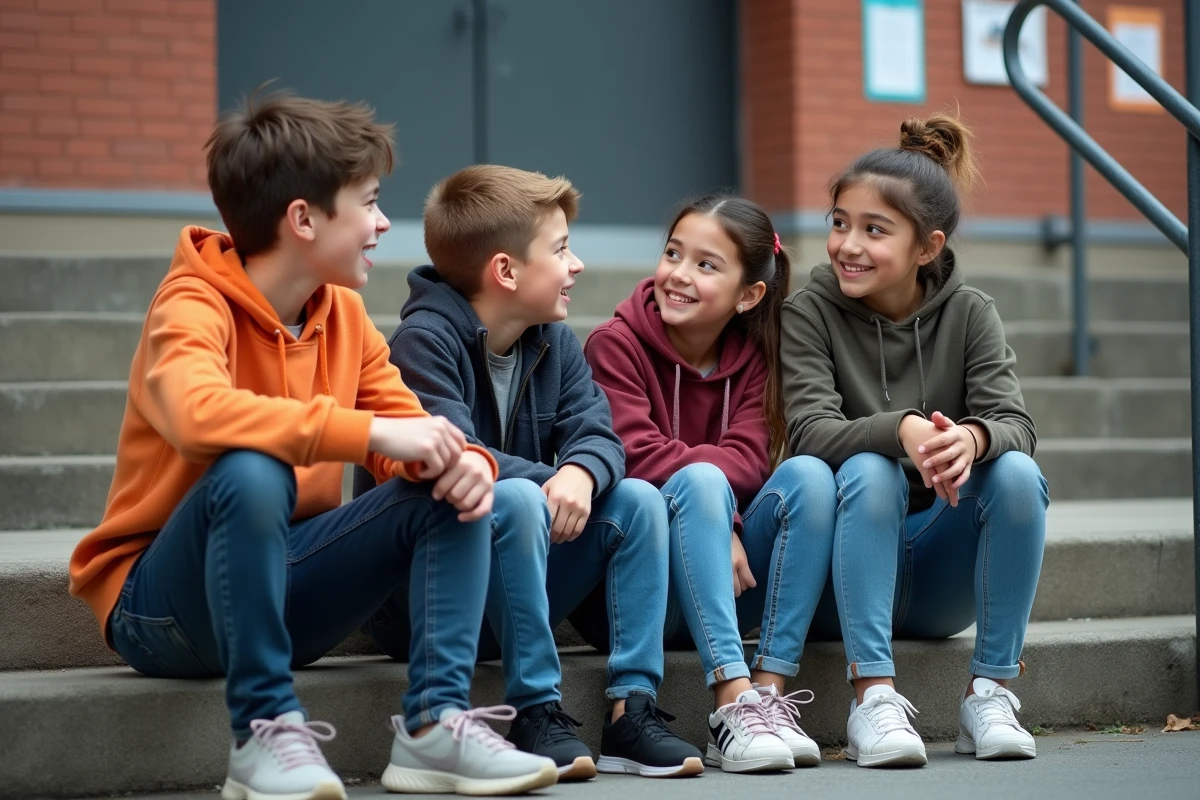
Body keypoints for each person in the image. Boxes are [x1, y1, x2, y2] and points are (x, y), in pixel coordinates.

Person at [68, 91, 558, 799]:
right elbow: (196, 414)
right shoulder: (192, 302)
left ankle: (434, 726)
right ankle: (263, 732)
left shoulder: (345, 316)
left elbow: (409, 426)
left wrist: (466, 462)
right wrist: (369, 431)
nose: (384, 223)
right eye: (368, 203)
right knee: (252, 467)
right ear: (303, 218)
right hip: (163, 608)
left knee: (446, 484)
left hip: (291, 587)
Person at [356, 164, 704, 780]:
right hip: (426, 604)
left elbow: (600, 434)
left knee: (640, 501)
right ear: (506, 271)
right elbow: (453, 453)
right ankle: (535, 708)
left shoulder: (554, 340)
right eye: (562, 248)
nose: (578, 266)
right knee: (515, 495)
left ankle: (632, 711)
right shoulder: (422, 343)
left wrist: (582, 473)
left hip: (525, 580)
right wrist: (554, 477)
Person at [780, 113, 1048, 767]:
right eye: (839, 222)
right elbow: (808, 432)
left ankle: (989, 692)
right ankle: (873, 697)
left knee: (1015, 474)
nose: (847, 244)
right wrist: (900, 428)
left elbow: (1017, 423)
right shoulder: (808, 311)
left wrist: (975, 440)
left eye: (874, 230)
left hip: (934, 574)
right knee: (868, 469)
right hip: (842, 576)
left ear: (927, 247)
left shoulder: (970, 312)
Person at [580, 194, 835, 773]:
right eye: (673, 253)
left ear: (749, 295)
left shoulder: (759, 358)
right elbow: (632, 456)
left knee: (810, 478)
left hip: (728, 588)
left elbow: (750, 460)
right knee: (698, 480)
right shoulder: (613, 346)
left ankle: (768, 695)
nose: (678, 274)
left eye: (706, 264)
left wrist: (726, 519)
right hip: (631, 595)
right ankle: (729, 698)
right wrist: (716, 511)